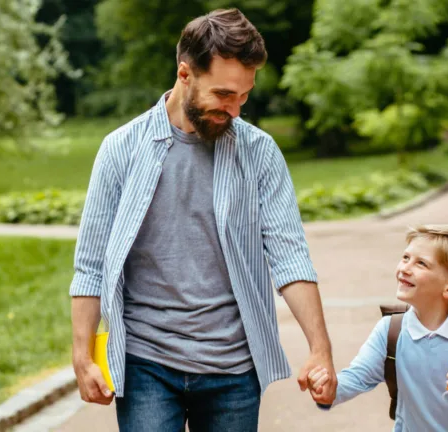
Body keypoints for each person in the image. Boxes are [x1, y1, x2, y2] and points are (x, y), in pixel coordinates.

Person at [69, 8, 336, 431]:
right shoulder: (121, 149)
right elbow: (92, 264)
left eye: (244, 96)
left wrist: (320, 350)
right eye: (224, 95)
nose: (234, 110)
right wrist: (83, 357)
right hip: (146, 364)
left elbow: (290, 258)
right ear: (185, 74)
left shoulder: (259, 153)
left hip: (233, 368)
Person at [308, 224, 448, 431]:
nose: (404, 268)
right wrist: (328, 388)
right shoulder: (390, 330)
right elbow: (357, 377)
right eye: (406, 258)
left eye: (421, 264)